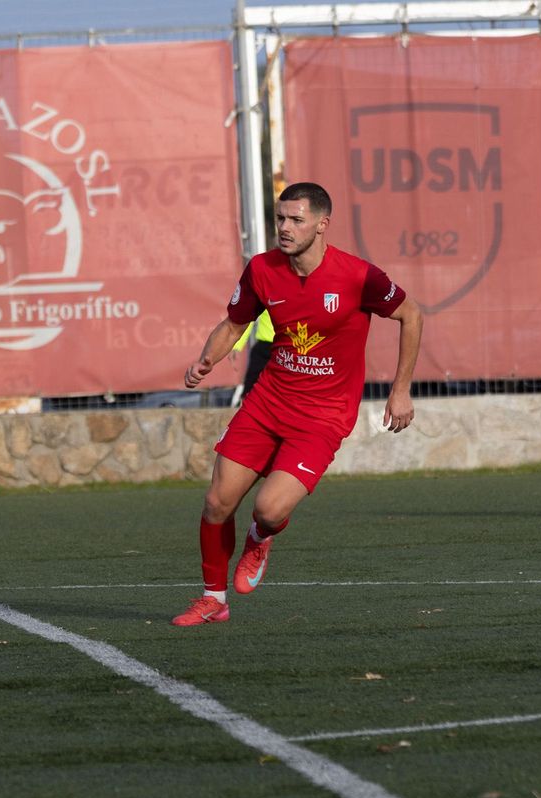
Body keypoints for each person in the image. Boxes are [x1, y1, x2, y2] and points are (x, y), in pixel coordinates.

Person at [171, 181, 422, 626]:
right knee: (216, 502)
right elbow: (234, 323)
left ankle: (260, 536)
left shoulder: (358, 275)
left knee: (268, 509)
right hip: (267, 404)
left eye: (296, 220)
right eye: (280, 219)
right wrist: (205, 360)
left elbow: (411, 314)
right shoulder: (262, 269)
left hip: (322, 419)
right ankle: (213, 599)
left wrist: (400, 389)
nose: (284, 228)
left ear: (322, 225)